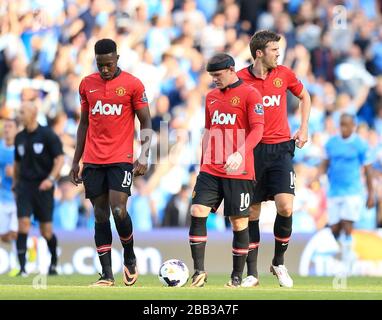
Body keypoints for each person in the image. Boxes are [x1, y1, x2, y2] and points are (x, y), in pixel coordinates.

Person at [70, 38, 152, 287]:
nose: (104, 69)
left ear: (117, 58)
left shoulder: (133, 84)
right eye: (99, 65)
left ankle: (129, 257)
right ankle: (106, 275)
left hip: (121, 158)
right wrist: (76, 161)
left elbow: (146, 121)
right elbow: (83, 123)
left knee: (119, 209)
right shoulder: (87, 85)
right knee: (100, 214)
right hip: (93, 159)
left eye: (108, 64)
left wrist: (145, 154)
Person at [237, 30, 311, 288]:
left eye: (279, 50)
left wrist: (303, 128)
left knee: (286, 206)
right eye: (274, 50)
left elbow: (305, 96)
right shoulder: (240, 80)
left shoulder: (285, 75)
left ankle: (279, 262)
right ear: (259, 53)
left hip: (281, 148)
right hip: (253, 151)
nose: (279, 54)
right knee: (252, 211)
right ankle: (252, 273)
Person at [189, 53, 264, 287]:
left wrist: (240, 152)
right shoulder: (210, 97)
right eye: (212, 76)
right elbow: (208, 131)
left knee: (239, 222)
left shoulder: (251, 94)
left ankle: (235, 277)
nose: (215, 80)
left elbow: (257, 131)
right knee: (197, 211)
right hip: (211, 168)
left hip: (239, 171)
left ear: (232, 70)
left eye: (218, 75)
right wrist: (202, 164)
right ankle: (199, 272)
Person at [13, 102, 64, 276]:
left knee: (46, 231)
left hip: (43, 187)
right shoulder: (19, 137)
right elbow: (17, 163)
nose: (19, 115)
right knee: (23, 224)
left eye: (22, 111)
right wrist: (15, 183)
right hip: (25, 187)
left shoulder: (48, 135)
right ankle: (22, 268)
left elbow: (60, 160)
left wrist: (50, 179)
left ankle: (54, 263)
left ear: (33, 113)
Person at [320, 114, 374, 275]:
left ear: (353, 126)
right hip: (334, 190)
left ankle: (348, 256)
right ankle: (347, 251)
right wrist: (318, 177)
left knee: (347, 224)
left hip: (352, 191)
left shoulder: (360, 145)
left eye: (346, 125)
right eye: (341, 125)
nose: (343, 128)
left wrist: (371, 194)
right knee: (334, 228)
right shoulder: (331, 143)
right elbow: (325, 163)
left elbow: (368, 169)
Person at [0, 118, 18, 243]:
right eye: (5, 127)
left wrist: (15, 173)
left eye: (10, 126)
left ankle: (21, 259)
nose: (6, 129)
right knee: (4, 237)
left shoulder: (22, 149)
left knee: (16, 232)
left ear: (17, 130)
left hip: (19, 198)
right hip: (2, 197)